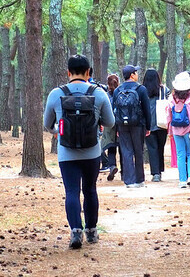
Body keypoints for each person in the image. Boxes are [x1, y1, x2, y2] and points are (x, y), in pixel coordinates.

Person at [44, 54, 114, 249]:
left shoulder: (55, 94)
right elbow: (110, 122)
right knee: (90, 190)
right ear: (88, 72)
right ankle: (91, 231)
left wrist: (59, 131)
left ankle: (76, 232)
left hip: (66, 154)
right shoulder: (98, 93)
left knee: (71, 191)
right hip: (92, 152)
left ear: (68, 72)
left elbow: (47, 124)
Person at [112, 64, 151, 188]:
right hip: (138, 124)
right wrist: (148, 127)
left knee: (126, 151)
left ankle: (129, 181)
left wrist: (117, 127)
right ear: (132, 75)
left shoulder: (118, 90)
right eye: (136, 72)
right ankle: (139, 180)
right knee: (138, 151)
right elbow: (147, 110)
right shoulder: (141, 89)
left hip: (122, 126)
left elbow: (115, 110)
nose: (137, 74)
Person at [166, 71, 190, 188]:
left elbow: (168, 115)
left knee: (180, 154)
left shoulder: (171, 98)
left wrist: (169, 131)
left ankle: (182, 180)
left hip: (176, 130)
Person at [143, 68, 170, 182]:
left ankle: (156, 173)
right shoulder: (164, 90)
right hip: (162, 123)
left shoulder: (142, 90)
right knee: (160, 147)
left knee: (152, 148)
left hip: (148, 123)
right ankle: (159, 170)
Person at [101, 74, 122, 181]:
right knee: (123, 149)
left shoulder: (105, 95)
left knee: (111, 148)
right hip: (122, 124)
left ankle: (112, 166)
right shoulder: (121, 93)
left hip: (109, 124)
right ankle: (125, 172)